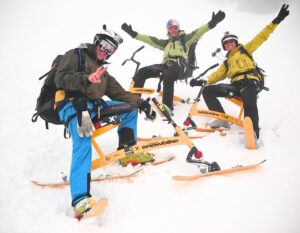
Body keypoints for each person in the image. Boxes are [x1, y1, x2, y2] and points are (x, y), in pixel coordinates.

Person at [54, 31, 156, 218]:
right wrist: (85, 79)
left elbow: (119, 93)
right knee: (84, 139)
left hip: (94, 106)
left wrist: (140, 103)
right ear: (96, 42)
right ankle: (80, 200)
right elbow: (60, 78)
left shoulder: (103, 72)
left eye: (111, 49)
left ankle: (128, 152)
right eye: (104, 45)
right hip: (72, 106)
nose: (106, 51)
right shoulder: (76, 55)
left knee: (129, 110)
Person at [191, 4, 290, 140]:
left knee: (249, 100)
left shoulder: (246, 49)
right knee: (207, 90)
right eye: (226, 43)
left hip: (249, 82)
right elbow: (217, 75)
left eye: (232, 41)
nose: (229, 44)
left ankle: (252, 132)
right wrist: (203, 81)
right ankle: (222, 120)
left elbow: (261, 36)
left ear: (236, 42)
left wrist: (276, 20)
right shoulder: (226, 62)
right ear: (224, 47)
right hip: (235, 86)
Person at [121, 11, 225, 111]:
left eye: (175, 28)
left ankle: (167, 106)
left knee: (168, 75)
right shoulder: (166, 43)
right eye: (170, 28)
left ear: (178, 29)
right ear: (168, 30)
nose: (173, 30)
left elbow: (198, 32)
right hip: (166, 65)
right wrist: (134, 34)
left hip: (180, 66)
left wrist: (212, 23)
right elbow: (150, 40)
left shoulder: (185, 39)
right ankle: (135, 100)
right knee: (142, 71)